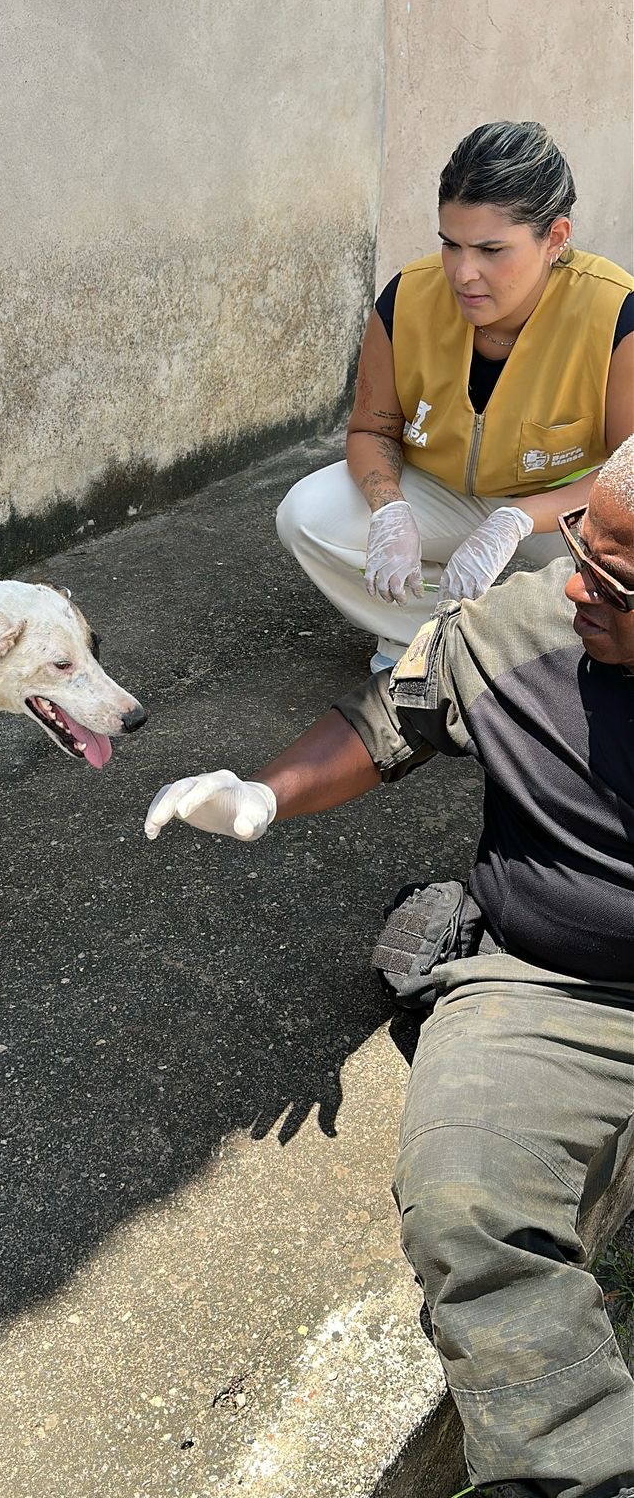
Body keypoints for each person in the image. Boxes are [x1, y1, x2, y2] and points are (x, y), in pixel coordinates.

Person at [144, 438, 634, 1498]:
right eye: (584, 548)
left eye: (619, 583)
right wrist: (266, 794)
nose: (581, 585)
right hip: (547, 985)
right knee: (465, 1205)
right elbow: (390, 718)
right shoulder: (527, 629)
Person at [275, 121, 634, 673]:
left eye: (492, 249)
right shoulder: (407, 298)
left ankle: (499, 636)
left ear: (555, 238)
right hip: (438, 493)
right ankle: (437, 641)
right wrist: (389, 508)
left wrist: (513, 521)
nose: (464, 273)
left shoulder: (615, 314)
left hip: (556, 516)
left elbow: (625, 471)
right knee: (306, 514)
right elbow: (372, 429)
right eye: (451, 245)